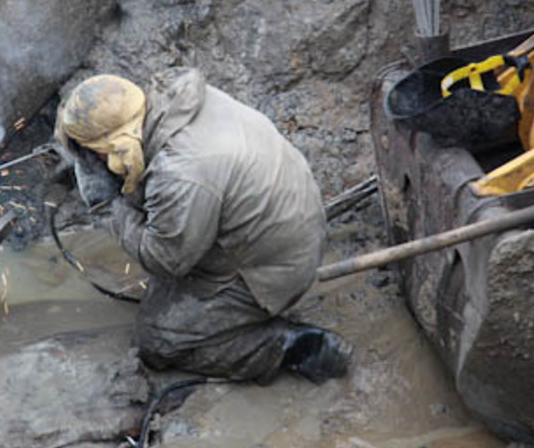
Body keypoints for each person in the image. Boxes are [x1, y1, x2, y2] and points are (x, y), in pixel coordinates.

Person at [55, 68, 353, 383]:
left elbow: (166, 261)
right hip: (284, 224)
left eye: (96, 155)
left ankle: (289, 346)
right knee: (163, 292)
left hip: (273, 270)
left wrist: (107, 206)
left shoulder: (179, 171)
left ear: (116, 143)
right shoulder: (171, 102)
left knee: (157, 340)